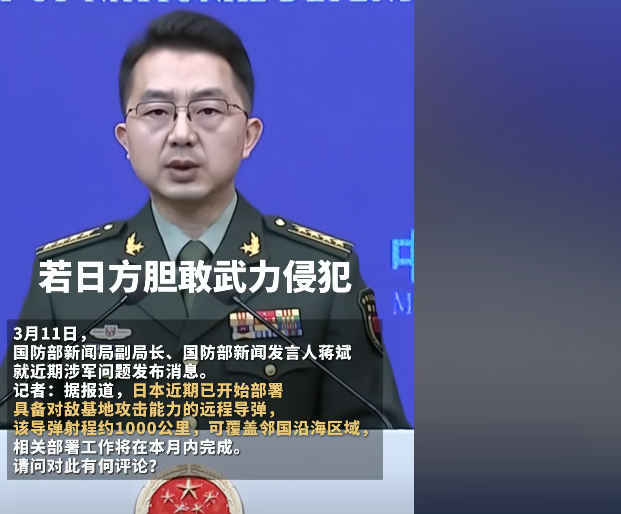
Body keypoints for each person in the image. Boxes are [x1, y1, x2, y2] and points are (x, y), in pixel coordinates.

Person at [0, 10, 409, 430]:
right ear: (126, 138)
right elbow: (11, 450)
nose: (182, 134)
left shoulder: (324, 276)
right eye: (157, 112)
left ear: (248, 136)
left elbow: (380, 452)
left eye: (208, 110)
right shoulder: (64, 280)